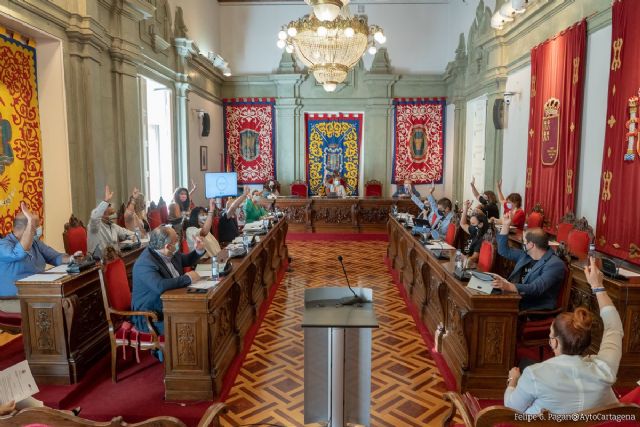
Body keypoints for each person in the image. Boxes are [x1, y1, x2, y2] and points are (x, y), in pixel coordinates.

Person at [504, 258, 623, 414]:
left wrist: (513, 381)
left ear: (554, 343)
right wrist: (598, 286)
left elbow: (511, 409)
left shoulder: (534, 375)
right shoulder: (605, 369)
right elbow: (614, 328)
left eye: (550, 335)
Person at [0, 203, 83, 311]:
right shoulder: (3, 245)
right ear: (26, 229)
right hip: (13, 301)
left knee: (74, 298)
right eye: (35, 227)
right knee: (62, 308)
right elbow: (18, 253)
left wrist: (72, 258)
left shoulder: (35, 243)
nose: (39, 230)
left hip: (38, 293)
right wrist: (30, 222)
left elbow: (55, 257)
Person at [131, 226, 204, 336]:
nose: (179, 240)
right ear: (168, 246)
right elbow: (160, 286)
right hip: (152, 316)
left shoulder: (169, 252)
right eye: (176, 240)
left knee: (201, 311)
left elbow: (186, 260)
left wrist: (198, 250)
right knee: (190, 322)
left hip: (171, 304)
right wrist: (187, 278)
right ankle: (173, 353)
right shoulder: (144, 263)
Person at [492, 213, 565, 311]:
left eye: (524, 242)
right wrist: (505, 225)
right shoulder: (526, 255)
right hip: (514, 299)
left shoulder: (555, 264)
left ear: (531, 245)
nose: (523, 244)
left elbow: (536, 288)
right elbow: (503, 251)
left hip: (531, 307)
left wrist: (508, 286)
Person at [87, 185, 136, 256]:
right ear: (102, 213)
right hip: (98, 262)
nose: (114, 216)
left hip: (113, 258)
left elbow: (127, 233)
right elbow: (94, 217)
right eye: (111, 213)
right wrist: (106, 201)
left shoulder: (112, 225)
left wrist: (134, 236)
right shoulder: (94, 227)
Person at [459, 200, 488, 267]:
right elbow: (462, 223)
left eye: (473, 223)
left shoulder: (481, 238)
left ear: (480, 224)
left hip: (472, 266)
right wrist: (466, 208)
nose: (471, 226)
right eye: (470, 223)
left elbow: (475, 257)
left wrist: (468, 260)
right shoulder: (474, 229)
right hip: (464, 258)